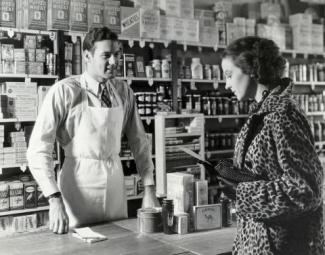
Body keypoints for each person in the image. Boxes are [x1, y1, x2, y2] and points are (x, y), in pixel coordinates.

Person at [27, 27, 159, 234]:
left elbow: (139, 142)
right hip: (79, 185)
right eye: (106, 56)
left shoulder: (123, 92)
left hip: (115, 183)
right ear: (87, 56)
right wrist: (53, 198)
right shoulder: (64, 91)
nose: (114, 62)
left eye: (117, 55)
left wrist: (149, 188)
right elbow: (38, 148)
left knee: (120, 243)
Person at [220, 36, 324, 255]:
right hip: (262, 243)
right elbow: (270, 173)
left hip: (283, 247)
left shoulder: (282, 115)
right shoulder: (263, 112)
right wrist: (235, 174)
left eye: (229, 75)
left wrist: (243, 193)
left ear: (252, 69)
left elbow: (306, 191)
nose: (227, 84)